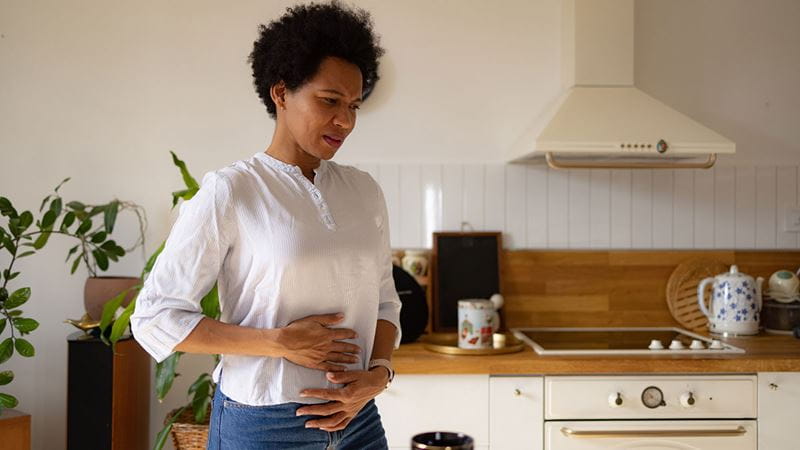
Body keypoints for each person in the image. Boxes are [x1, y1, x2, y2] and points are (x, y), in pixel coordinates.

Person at [129, 2, 401, 449]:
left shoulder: (364, 191)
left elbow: (386, 305)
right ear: (281, 93)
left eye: (353, 105)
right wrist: (278, 343)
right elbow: (156, 317)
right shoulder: (232, 190)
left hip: (358, 422)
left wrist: (379, 375)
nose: (346, 121)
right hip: (263, 423)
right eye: (329, 101)